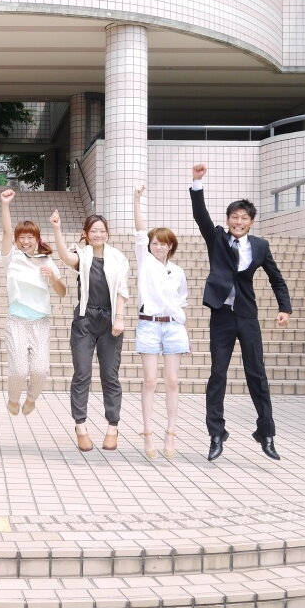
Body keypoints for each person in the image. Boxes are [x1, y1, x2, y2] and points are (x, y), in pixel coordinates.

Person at [190, 163, 292, 461]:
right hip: (221, 315)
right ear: (228, 220)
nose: (238, 222)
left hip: (247, 316)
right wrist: (197, 183)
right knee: (218, 374)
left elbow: (276, 278)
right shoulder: (217, 238)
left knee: (256, 374)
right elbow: (200, 216)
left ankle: (266, 433)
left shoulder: (260, 246)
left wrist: (284, 308)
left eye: (244, 218)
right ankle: (216, 434)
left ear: (251, 222)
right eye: (234, 217)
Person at [49, 209, 129, 453]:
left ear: (108, 233)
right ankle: (80, 426)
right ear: (85, 233)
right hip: (85, 320)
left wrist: (119, 318)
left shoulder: (118, 258)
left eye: (102, 231)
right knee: (82, 373)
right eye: (93, 231)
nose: (98, 234)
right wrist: (57, 229)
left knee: (110, 375)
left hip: (110, 321)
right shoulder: (82, 255)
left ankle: (112, 427)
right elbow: (65, 257)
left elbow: (122, 290)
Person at [133, 183, 189, 460]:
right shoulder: (145, 261)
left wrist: (180, 322)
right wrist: (137, 199)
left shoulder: (177, 271)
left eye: (163, 243)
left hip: (174, 327)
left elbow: (181, 299)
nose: (157, 246)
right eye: (154, 242)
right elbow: (140, 231)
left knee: (173, 381)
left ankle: (170, 433)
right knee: (150, 381)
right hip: (149, 325)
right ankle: (147, 433)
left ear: (170, 246)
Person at [0, 189, 66, 416]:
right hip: (17, 321)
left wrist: (54, 277)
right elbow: (6, 231)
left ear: (37, 239)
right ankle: (13, 398)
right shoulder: (12, 257)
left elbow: (62, 292)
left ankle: (31, 398)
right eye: (22, 237)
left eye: (30, 237)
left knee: (40, 369)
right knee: (18, 370)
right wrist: (5, 205)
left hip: (41, 321)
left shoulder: (46, 260)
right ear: (17, 240)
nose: (26, 241)